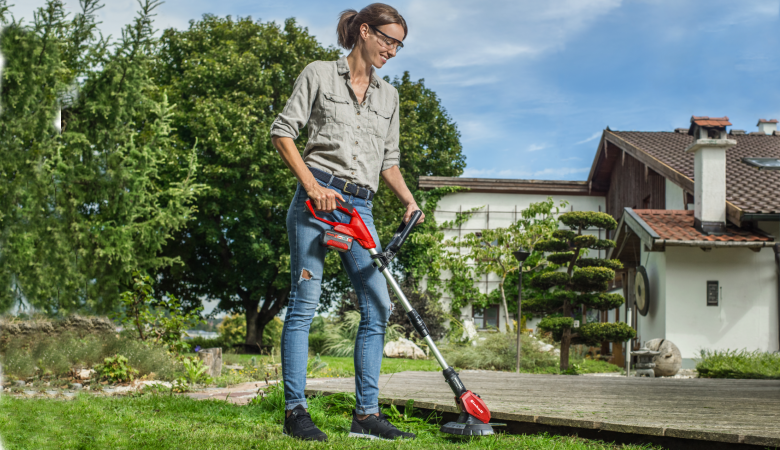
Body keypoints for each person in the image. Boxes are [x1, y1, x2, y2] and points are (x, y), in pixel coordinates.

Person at [270, 3, 424, 442]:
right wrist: (312, 186)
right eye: (388, 40)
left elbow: (389, 162)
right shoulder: (318, 73)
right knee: (305, 303)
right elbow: (283, 132)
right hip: (316, 202)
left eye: (400, 45)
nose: (393, 51)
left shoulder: (388, 96)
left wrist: (409, 200)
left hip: (361, 210)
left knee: (378, 305)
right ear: (364, 31)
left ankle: (366, 417)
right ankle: (295, 411)